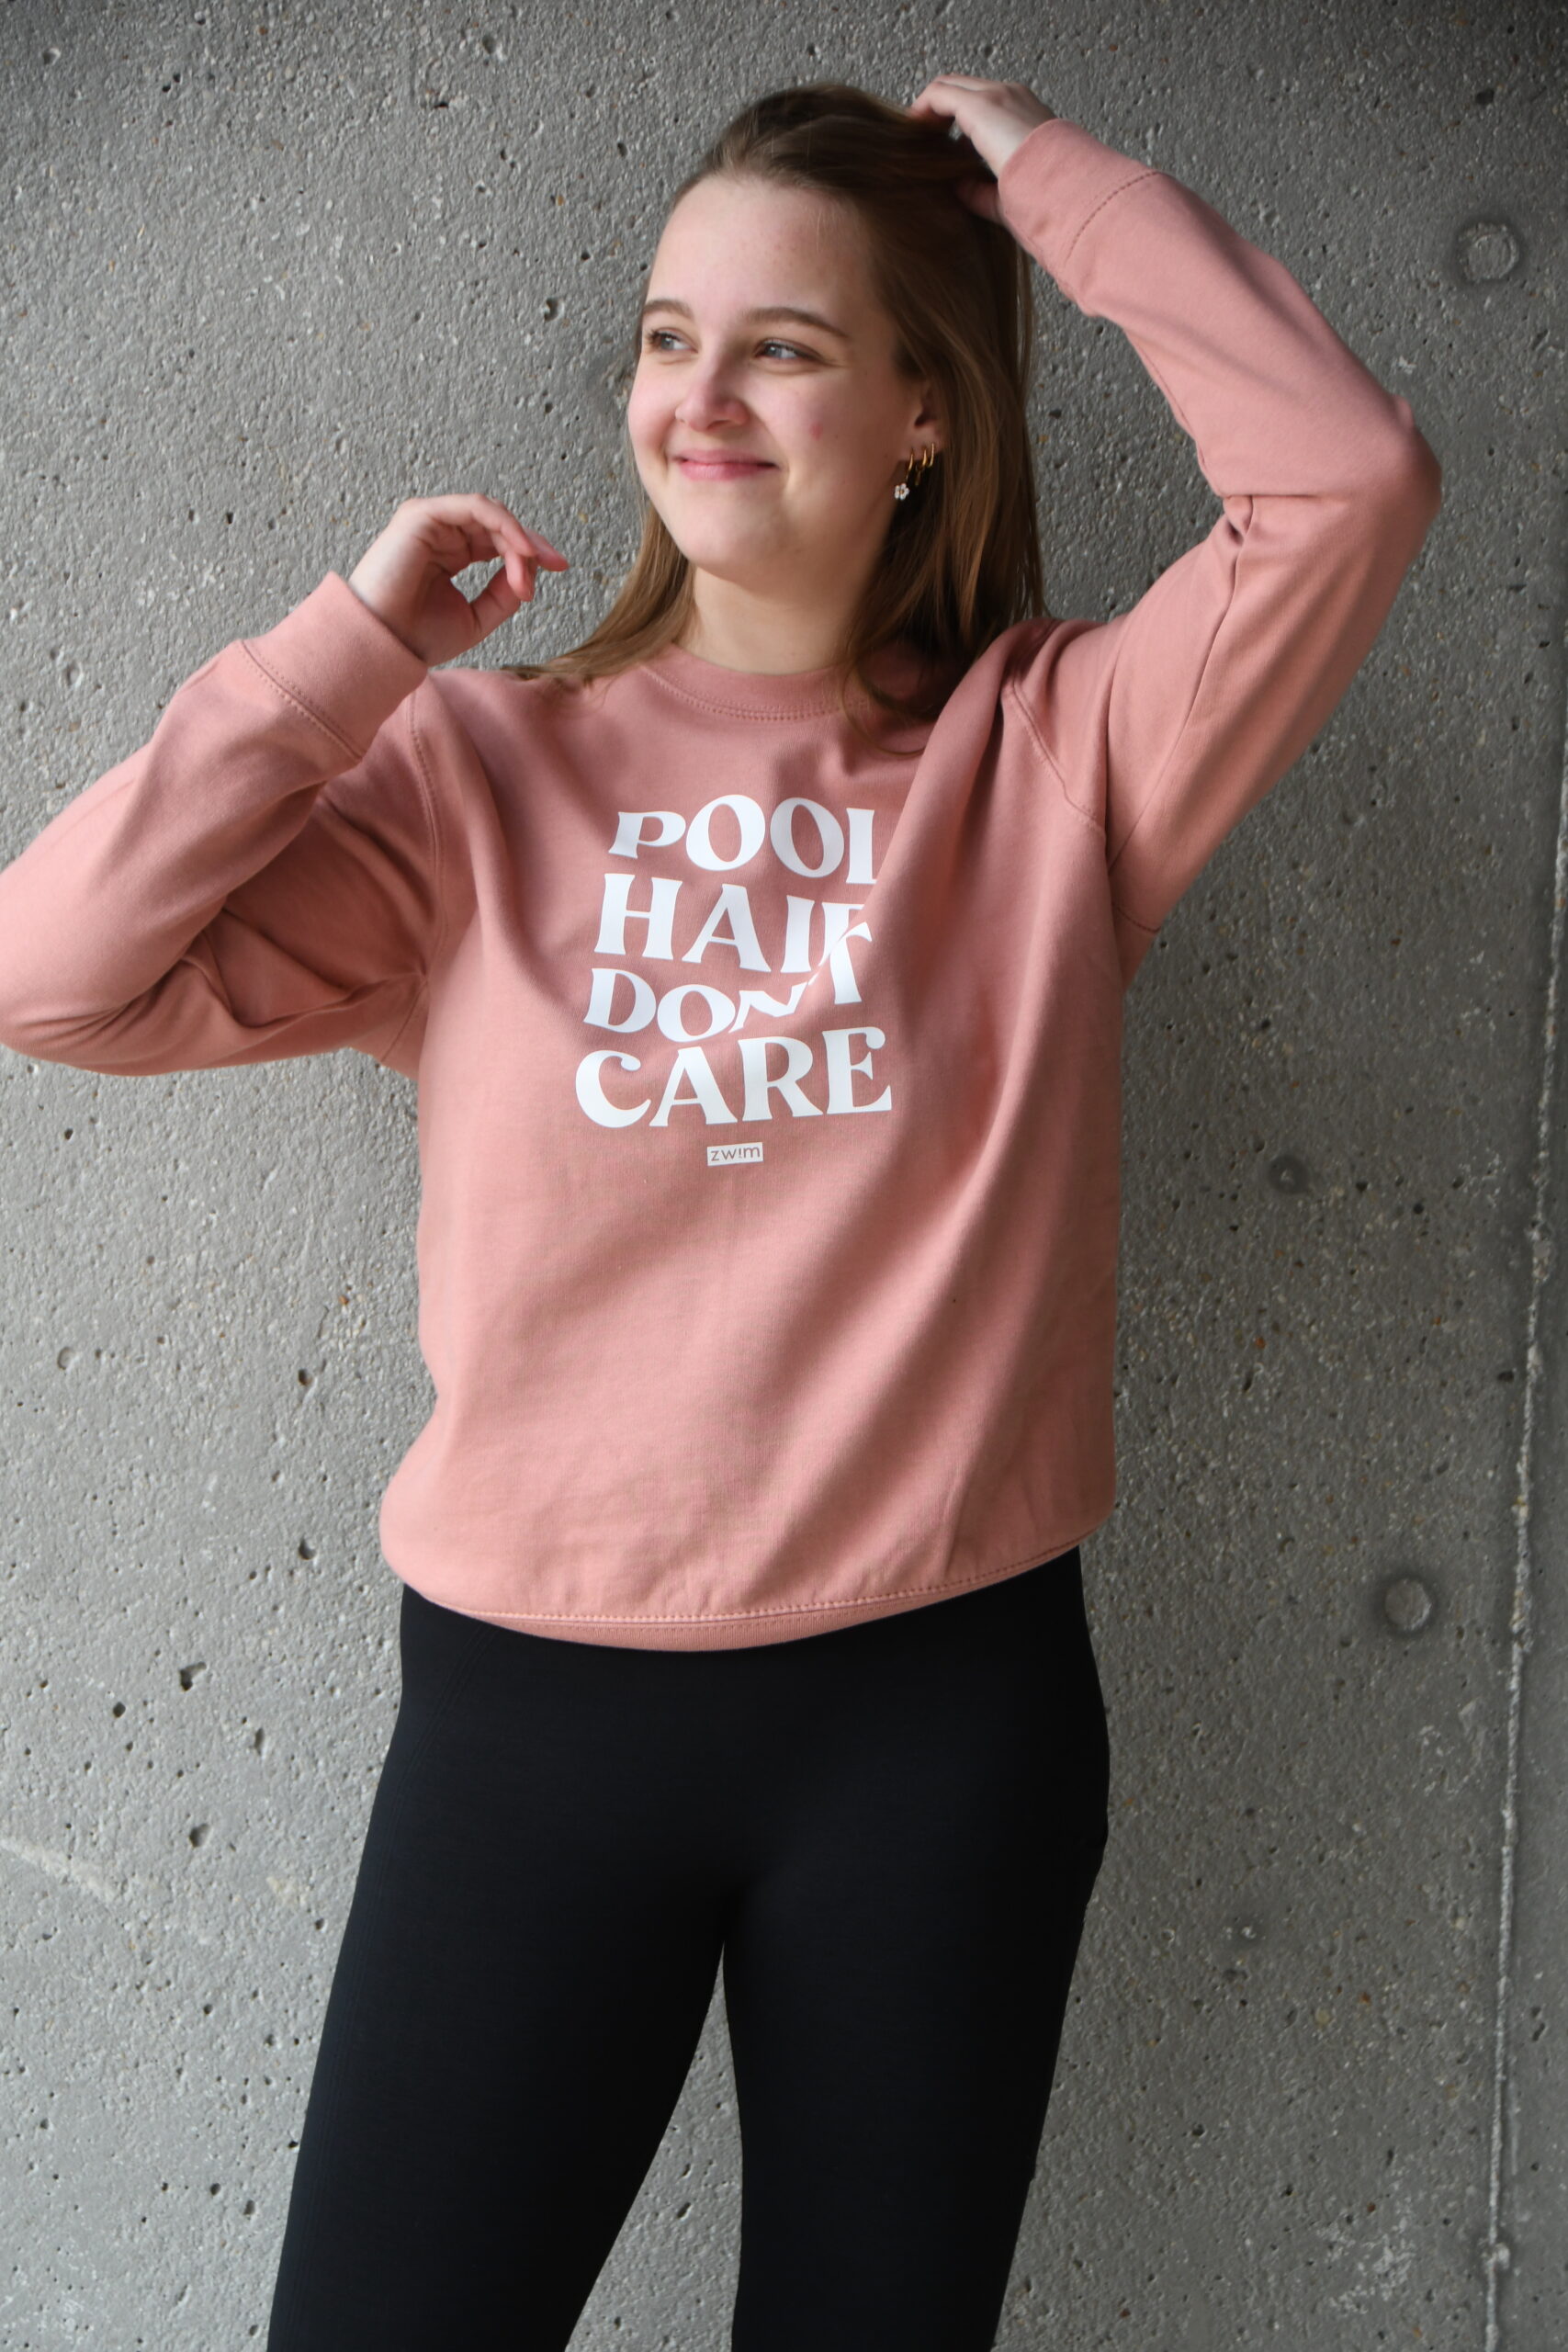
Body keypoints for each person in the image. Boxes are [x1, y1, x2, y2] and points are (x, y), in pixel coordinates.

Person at [0, 69, 1440, 2352]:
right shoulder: (474, 772)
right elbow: (51, 975)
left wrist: (1046, 183)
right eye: (669, 339)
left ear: (921, 414)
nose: (698, 396)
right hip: (529, 1725)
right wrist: (344, 653)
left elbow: (1344, 479)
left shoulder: (1058, 758)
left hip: (935, 1722)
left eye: (781, 345)